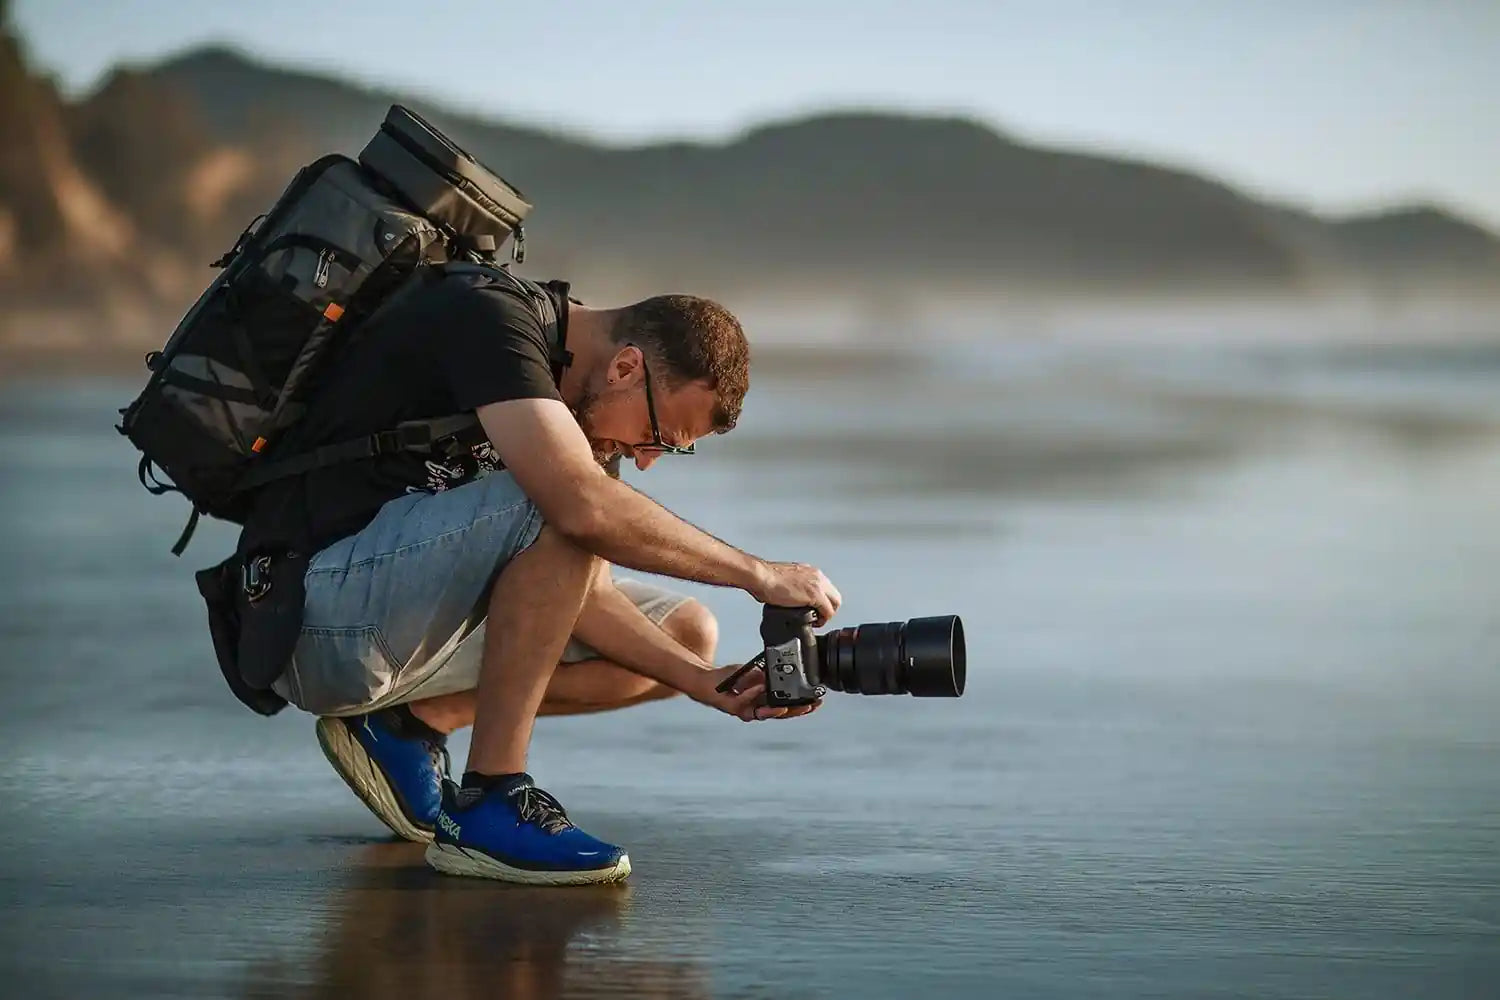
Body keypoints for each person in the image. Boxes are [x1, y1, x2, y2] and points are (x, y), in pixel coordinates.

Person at [235, 267, 841, 885]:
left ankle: (404, 726)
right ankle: (490, 802)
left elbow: (578, 590)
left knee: (687, 633)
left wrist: (702, 681)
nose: (647, 459)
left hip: (400, 621)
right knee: (567, 507)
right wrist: (757, 574)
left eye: (670, 450)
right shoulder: (488, 317)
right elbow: (579, 512)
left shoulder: (581, 406)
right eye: (660, 435)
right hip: (313, 617)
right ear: (627, 367)